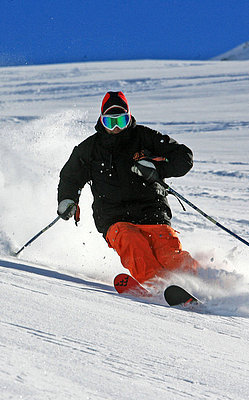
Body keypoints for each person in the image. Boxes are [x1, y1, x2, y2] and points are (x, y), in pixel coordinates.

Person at [56, 91, 199, 285]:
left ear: (129, 117)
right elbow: (70, 177)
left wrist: (157, 168)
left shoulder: (145, 137)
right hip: (114, 217)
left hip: (152, 211)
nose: (115, 128)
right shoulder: (89, 149)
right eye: (110, 122)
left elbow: (184, 157)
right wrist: (67, 199)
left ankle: (202, 283)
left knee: (169, 254)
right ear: (101, 121)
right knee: (133, 243)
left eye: (121, 121)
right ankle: (157, 285)